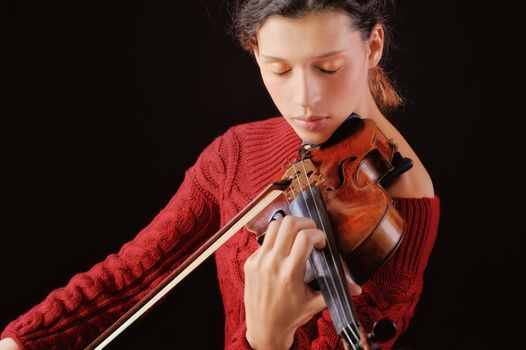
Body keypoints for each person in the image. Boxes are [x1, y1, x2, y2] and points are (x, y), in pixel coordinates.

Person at [0, 0, 440, 349]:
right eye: (279, 69)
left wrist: (265, 340)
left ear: (373, 46)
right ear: (254, 50)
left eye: (328, 68)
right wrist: (23, 340)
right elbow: (133, 274)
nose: (304, 100)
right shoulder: (238, 152)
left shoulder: (401, 207)